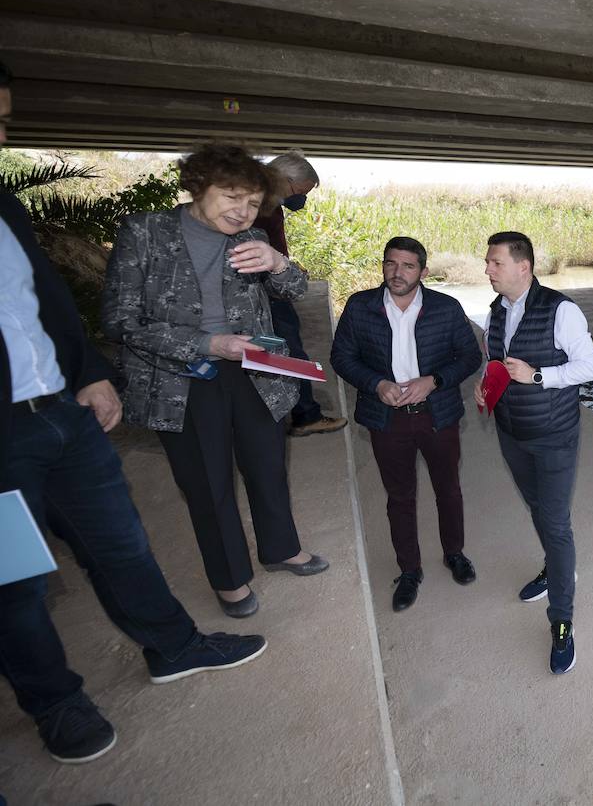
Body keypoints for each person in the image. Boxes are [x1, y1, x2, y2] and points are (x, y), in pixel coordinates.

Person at [0, 60, 265, 766]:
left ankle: (175, 647)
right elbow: (127, 311)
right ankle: (54, 700)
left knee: (123, 546)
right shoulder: (148, 232)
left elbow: (44, 301)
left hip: (62, 411)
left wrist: (87, 372)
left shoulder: (4, 205)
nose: (0, 133)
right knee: (13, 582)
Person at [101, 143, 328, 618]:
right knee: (208, 484)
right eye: (231, 197)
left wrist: (278, 262)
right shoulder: (145, 230)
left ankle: (281, 548)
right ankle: (230, 580)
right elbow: (121, 320)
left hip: (253, 370)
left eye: (251, 203)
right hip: (181, 379)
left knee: (268, 466)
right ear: (198, 186)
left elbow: (293, 289)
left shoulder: (249, 237)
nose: (242, 211)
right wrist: (207, 344)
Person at [331, 237, 483, 612]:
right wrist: (376, 384)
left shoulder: (446, 308)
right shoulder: (360, 306)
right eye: (390, 264)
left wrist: (433, 381)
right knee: (399, 497)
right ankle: (409, 570)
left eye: (408, 266)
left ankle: (454, 553)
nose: (397, 273)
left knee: (448, 489)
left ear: (423, 272)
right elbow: (342, 357)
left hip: (438, 415)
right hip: (387, 420)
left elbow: (468, 356)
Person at [475, 231, 593, 675]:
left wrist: (538, 376)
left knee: (555, 522)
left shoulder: (561, 310)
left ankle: (562, 621)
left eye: (495, 263)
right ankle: (553, 568)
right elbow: (501, 363)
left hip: (554, 436)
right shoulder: (496, 310)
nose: (487, 269)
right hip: (512, 434)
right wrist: (488, 385)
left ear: (523, 267)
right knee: (537, 509)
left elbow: (591, 367)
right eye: (488, 263)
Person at [253, 152, 347, 438]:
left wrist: (288, 265)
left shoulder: (266, 204)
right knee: (288, 347)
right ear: (283, 179)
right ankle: (306, 415)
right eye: (299, 191)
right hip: (266, 294)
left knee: (272, 347)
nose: (300, 200)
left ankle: (287, 412)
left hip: (268, 289)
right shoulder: (258, 207)